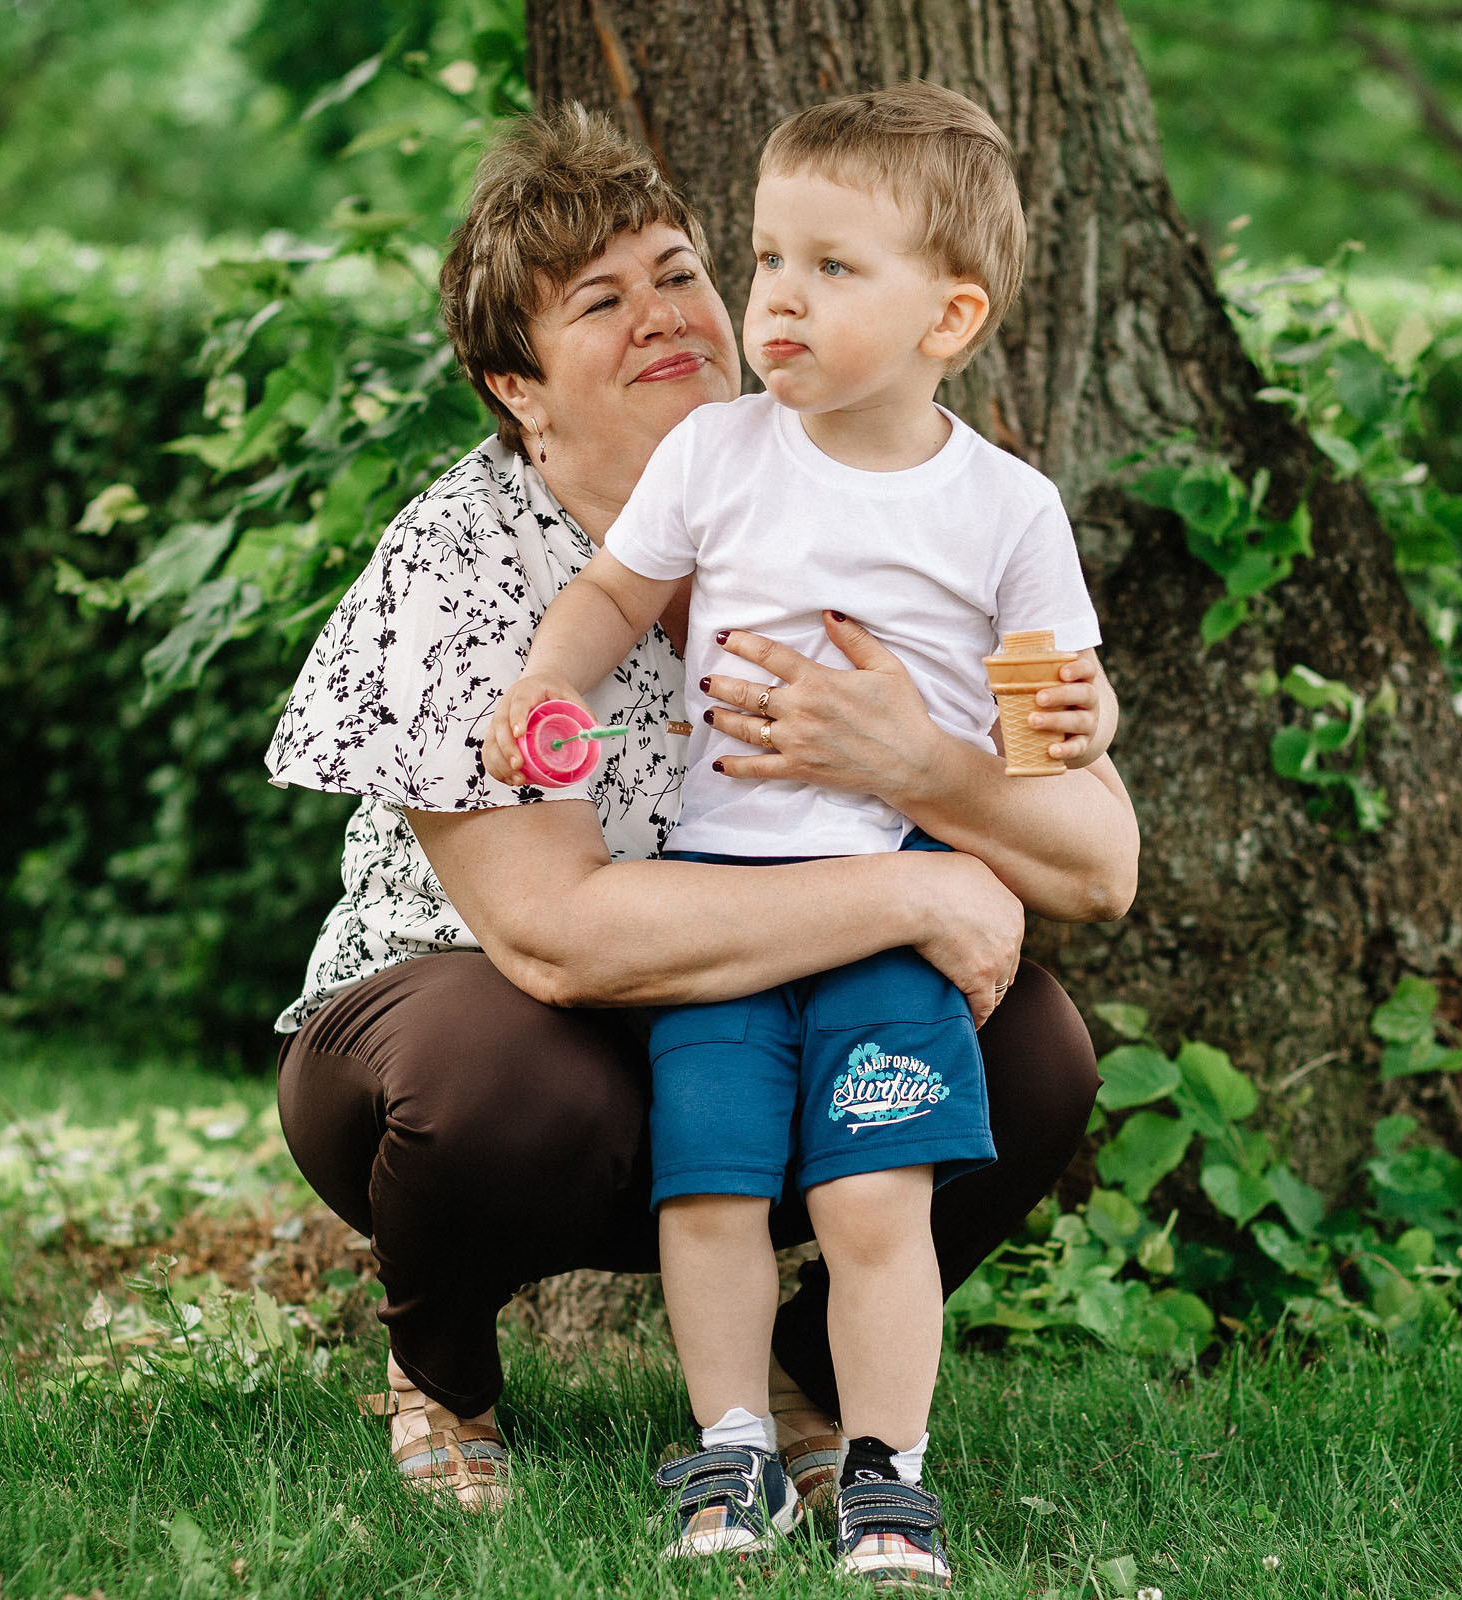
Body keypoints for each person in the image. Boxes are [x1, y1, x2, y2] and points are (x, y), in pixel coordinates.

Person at [263, 104, 1136, 1531]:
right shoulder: (462, 560)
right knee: (501, 1076)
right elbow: (551, 937)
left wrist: (924, 763)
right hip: (494, 1040)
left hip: (781, 1013)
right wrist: (918, 890)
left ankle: (811, 1386)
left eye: (678, 272)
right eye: (599, 302)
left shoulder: (928, 497)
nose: (666, 314)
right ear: (518, 388)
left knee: (1033, 1050)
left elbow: (1100, 863)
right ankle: (442, 1373)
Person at [485, 84, 1090, 1586]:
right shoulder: (717, 455)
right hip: (724, 895)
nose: (776, 297)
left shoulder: (1008, 510)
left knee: (873, 1197)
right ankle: (735, 1449)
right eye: (764, 258)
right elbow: (614, 594)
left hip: (895, 902)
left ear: (951, 316)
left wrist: (1081, 720)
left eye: (830, 267)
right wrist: (547, 685)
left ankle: (888, 1476)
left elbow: (1051, 732)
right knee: (712, 1190)